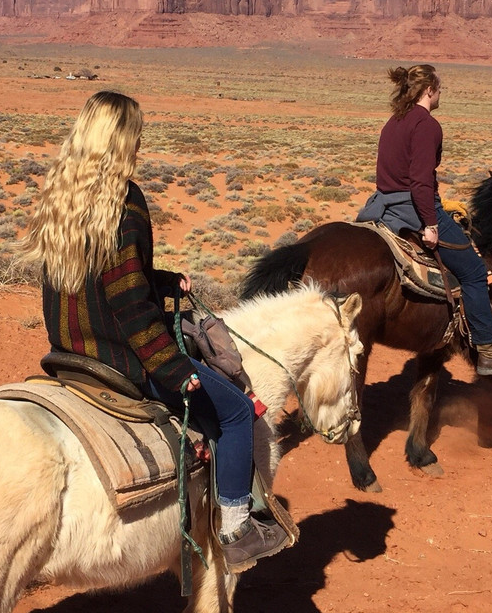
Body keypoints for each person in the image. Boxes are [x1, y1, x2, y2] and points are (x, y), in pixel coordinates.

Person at [16, 90, 288, 571]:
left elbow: (100, 278)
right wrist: (176, 369)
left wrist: (162, 280)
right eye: (135, 135)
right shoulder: (124, 201)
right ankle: (237, 529)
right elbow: (129, 305)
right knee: (237, 414)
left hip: (69, 352)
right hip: (118, 358)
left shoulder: (62, 193)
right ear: (122, 141)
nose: (139, 144)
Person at [357, 65, 492, 376]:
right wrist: (431, 223)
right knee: (476, 271)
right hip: (414, 208)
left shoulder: (393, 122)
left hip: (382, 206)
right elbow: (421, 181)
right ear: (428, 91)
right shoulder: (426, 125)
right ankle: (489, 352)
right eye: (439, 90)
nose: (440, 95)